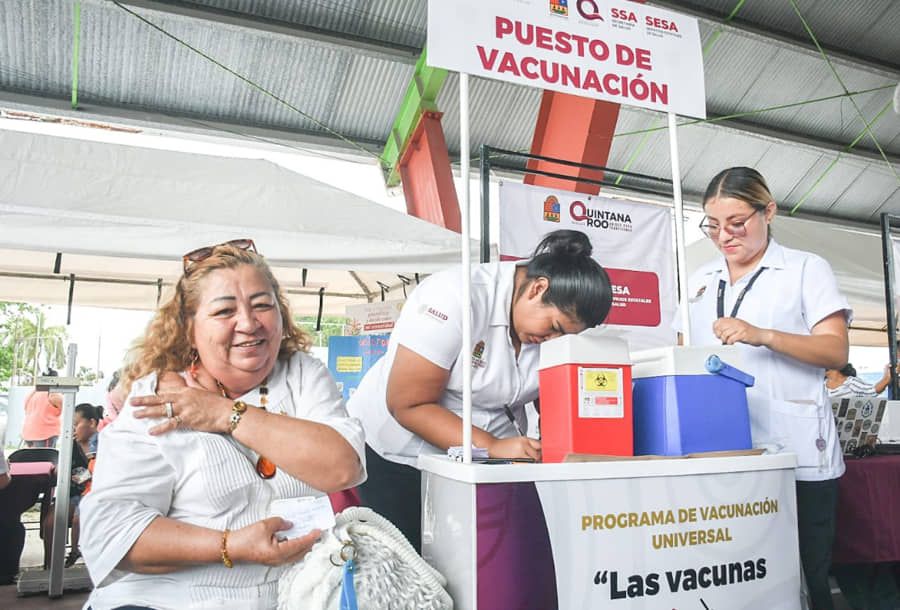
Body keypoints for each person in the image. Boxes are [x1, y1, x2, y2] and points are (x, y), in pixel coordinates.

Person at [80, 239, 366, 610]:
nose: (248, 323)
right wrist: (230, 546)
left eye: (262, 305)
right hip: (169, 599)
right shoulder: (157, 396)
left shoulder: (301, 374)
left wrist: (222, 413)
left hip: (299, 594)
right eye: (224, 311)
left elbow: (342, 468)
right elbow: (111, 534)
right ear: (188, 327)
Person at [348, 229, 613, 550]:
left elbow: (553, 398)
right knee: (408, 564)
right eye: (554, 328)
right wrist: (491, 446)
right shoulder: (454, 297)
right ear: (537, 289)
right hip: (400, 455)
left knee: (478, 561)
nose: (553, 342)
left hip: (487, 465)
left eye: (566, 336)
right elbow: (408, 404)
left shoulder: (544, 325)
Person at [683, 167, 850, 610]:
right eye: (713, 225)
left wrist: (765, 335)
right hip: (726, 449)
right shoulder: (700, 279)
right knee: (741, 573)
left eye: (736, 223)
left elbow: (835, 351)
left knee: (807, 572)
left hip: (798, 447)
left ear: (769, 211)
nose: (724, 236)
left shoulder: (805, 269)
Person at [21, 370, 63, 448]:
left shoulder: (33, 393)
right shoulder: (53, 394)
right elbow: (67, 408)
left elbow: (25, 408)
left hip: (28, 432)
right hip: (44, 433)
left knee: (33, 459)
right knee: (44, 458)